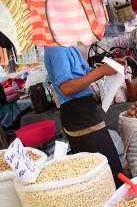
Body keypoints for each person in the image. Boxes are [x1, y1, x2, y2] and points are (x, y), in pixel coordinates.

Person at [44, 47, 125, 188]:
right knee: (103, 168)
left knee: (110, 163)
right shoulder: (56, 49)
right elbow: (67, 88)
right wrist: (101, 71)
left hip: (87, 109)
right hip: (77, 113)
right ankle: (112, 204)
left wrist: (108, 67)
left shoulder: (69, 45)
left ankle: (119, 200)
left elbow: (84, 72)